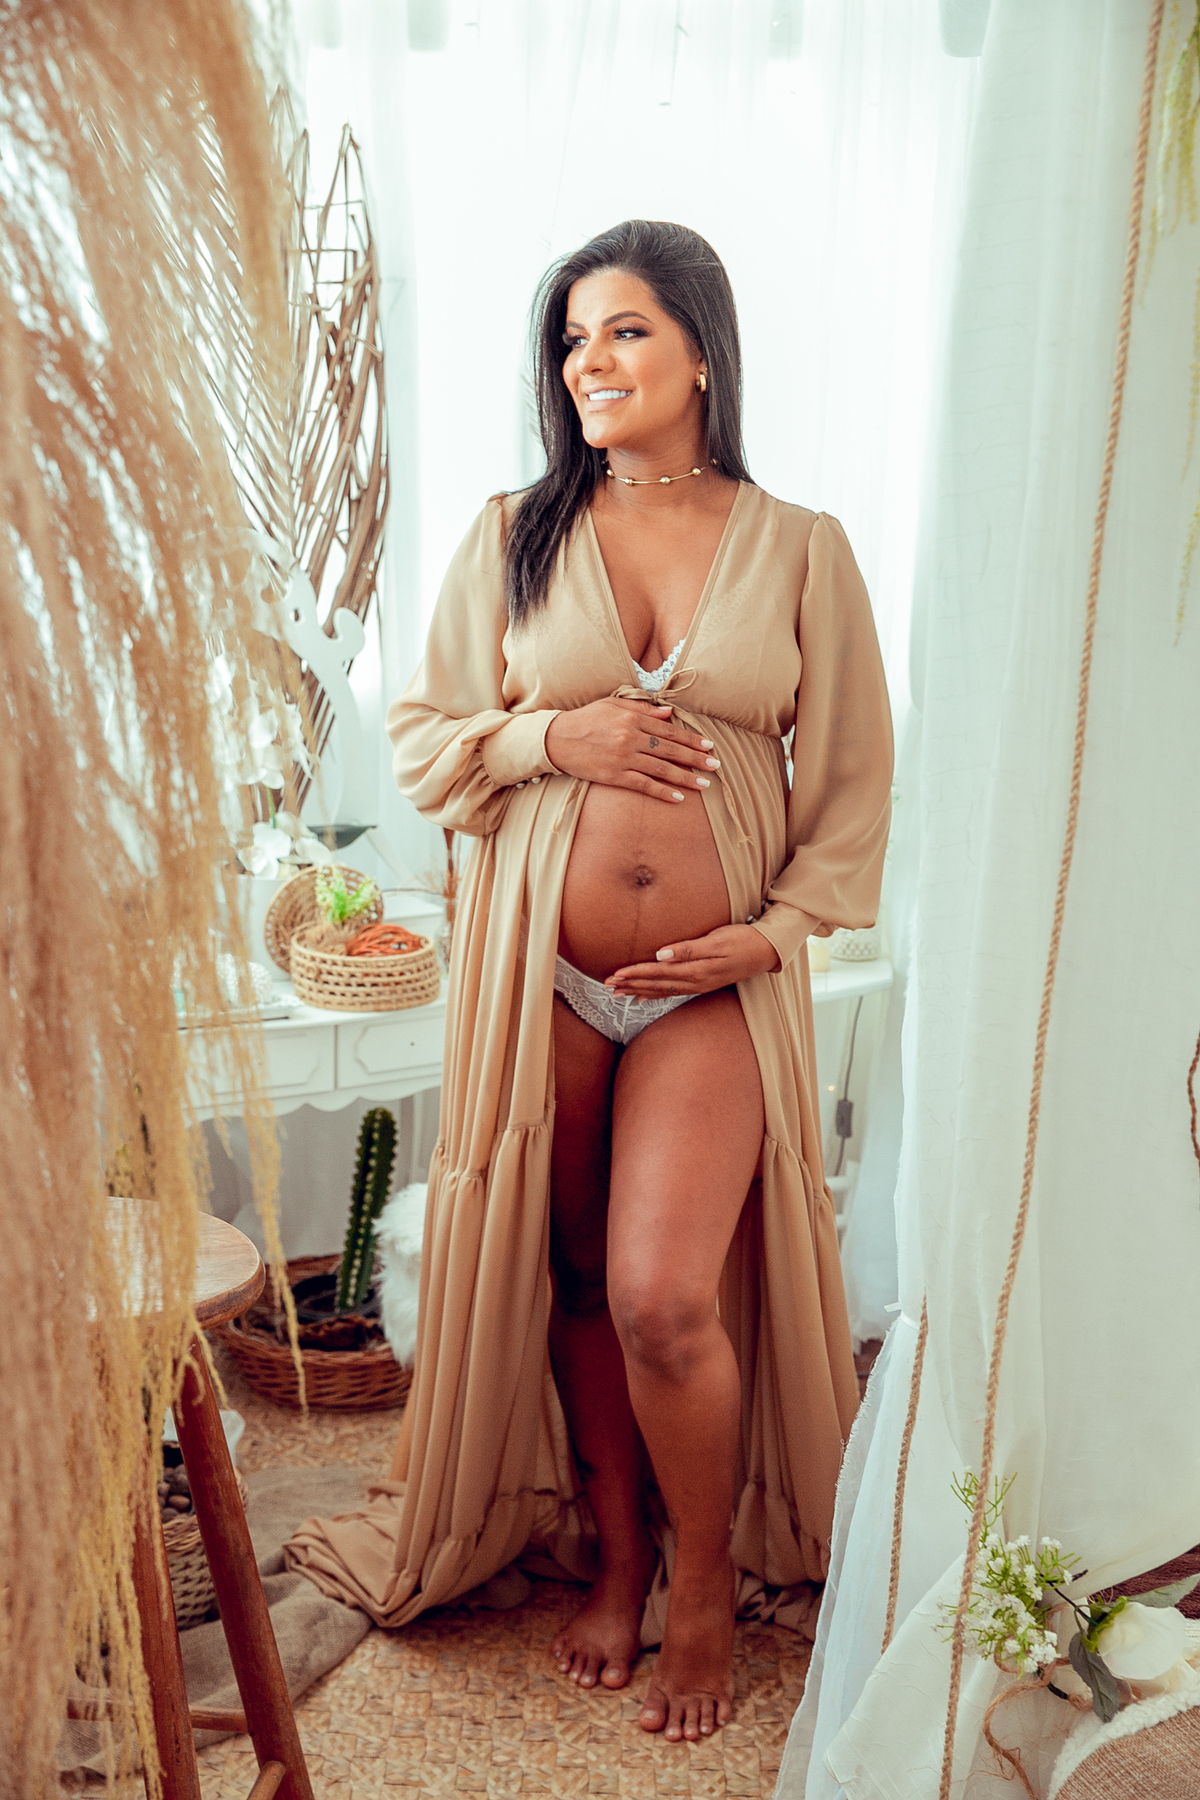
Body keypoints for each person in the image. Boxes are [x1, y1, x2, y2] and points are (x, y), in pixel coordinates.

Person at [283, 219, 893, 1744]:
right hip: (542, 975)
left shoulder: (800, 545)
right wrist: (555, 734)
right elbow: (428, 738)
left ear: (702, 351)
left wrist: (774, 934)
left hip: (709, 983)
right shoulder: (515, 533)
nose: (588, 364)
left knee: (661, 1297)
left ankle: (706, 1583)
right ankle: (618, 1558)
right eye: (571, 340)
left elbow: (853, 781)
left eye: (624, 331)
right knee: (567, 1281)